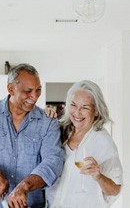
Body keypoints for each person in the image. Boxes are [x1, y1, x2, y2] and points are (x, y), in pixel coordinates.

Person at [0, 63, 65, 208]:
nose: (34, 96)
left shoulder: (48, 121)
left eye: (38, 90)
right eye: (28, 91)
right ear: (11, 89)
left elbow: (53, 162)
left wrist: (25, 186)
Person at [46, 80, 123, 208]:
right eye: (73, 105)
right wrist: (45, 118)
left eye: (85, 107)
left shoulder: (103, 141)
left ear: (96, 110)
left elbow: (115, 190)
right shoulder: (60, 130)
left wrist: (99, 176)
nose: (77, 112)